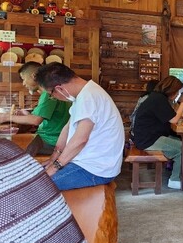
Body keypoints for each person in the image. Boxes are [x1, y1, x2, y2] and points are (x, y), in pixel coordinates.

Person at [35, 62, 124, 190]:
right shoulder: (84, 94)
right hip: (87, 164)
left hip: (95, 169)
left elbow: (81, 139)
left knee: (38, 187)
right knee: (39, 179)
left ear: (59, 89)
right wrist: (53, 158)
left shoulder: (88, 97)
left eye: (51, 94)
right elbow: (67, 128)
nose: (53, 97)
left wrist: (55, 167)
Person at [0, 61, 70, 154]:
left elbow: (36, 120)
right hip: (51, 138)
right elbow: (39, 117)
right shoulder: (52, 91)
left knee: (6, 146)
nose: (23, 83)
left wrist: (5, 117)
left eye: (24, 79)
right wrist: (26, 115)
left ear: (33, 76)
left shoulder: (48, 93)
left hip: (51, 141)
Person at [131, 76, 183, 189]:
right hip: (148, 139)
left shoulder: (157, 97)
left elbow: (170, 115)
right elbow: (174, 119)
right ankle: (175, 180)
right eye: (177, 91)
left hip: (147, 137)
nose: (177, 94)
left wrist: (179, 102)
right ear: (171, 90)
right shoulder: (159, 99)